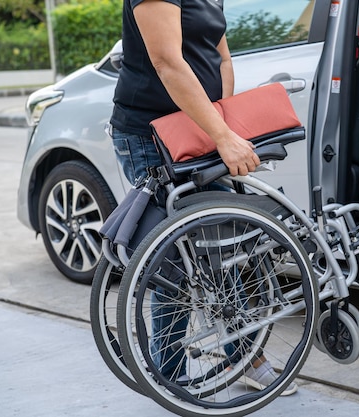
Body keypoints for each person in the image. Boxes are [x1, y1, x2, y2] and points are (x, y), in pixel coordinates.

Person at [107, 0, 297, 396]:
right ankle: (171, 373)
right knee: (173, 257)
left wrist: (217, 126)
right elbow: (167, 62)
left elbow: (221, 58)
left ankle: (242, 356)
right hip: (150, 134)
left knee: (218, 245)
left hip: (195, 130)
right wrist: (223, 137)